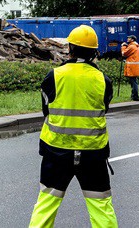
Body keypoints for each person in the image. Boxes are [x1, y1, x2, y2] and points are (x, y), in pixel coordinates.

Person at [29, 25, 118, 228]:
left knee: (46, 205)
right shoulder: (104, 81)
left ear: (70, 49)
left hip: (56, 152)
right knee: (101, 207)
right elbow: (103, 108)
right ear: (94, 52)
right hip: (93, 153)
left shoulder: (54, 76)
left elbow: (47, 110)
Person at [121, 35, 139, 101]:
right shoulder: (135, 46)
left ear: (132, 40)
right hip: (134, 67)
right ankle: (134, 96)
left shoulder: (132, 46)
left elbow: (124, 53)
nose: (127, 38)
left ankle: (135, 97)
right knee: (134, 82)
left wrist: (123, 46)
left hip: (132, 67)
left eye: (129, 38)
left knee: (134, 82)